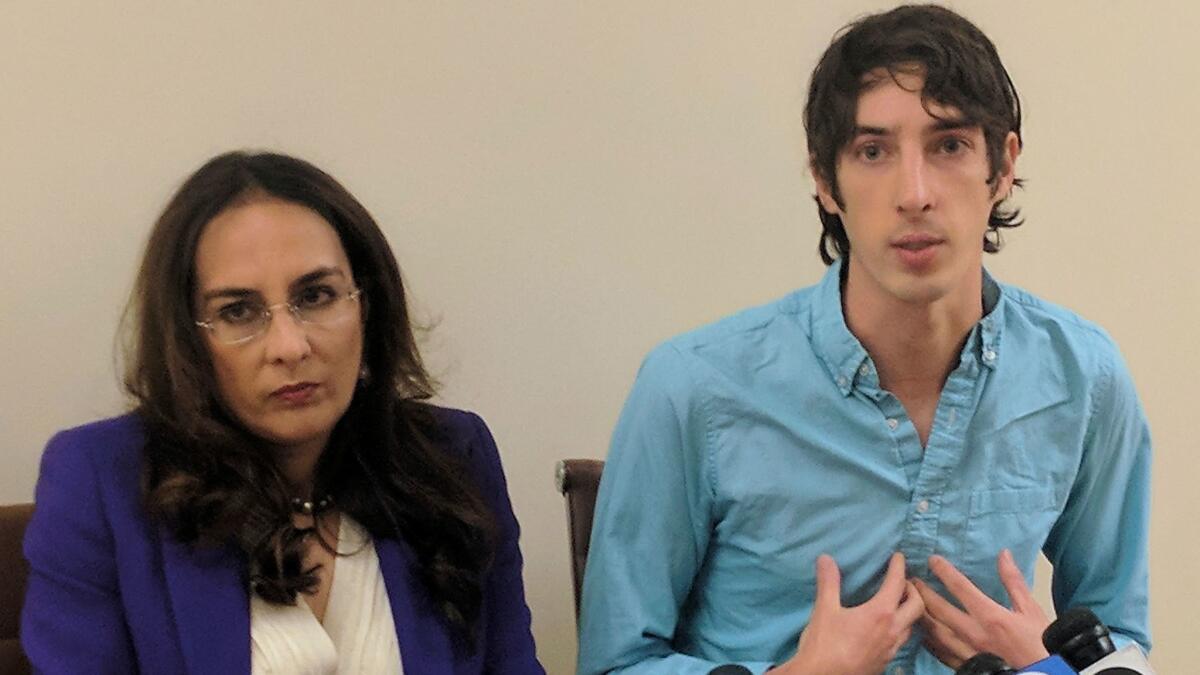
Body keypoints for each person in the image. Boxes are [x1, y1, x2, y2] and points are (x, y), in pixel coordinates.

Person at [577, 5, 1151, 675]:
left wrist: (1049, 669)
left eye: (950, 145)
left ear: (1002, 167)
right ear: (825, 179)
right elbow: (614, 664)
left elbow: (1122, 639)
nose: (914, 193)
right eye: (872, 150)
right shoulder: (693, 386)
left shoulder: (1084, 375)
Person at [21, 151, 545, 674]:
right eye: (238, 311)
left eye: (316, 295)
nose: (290, 346)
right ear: (187, 339)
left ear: (365, 304)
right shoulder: (100, 482)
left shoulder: (452, 456)